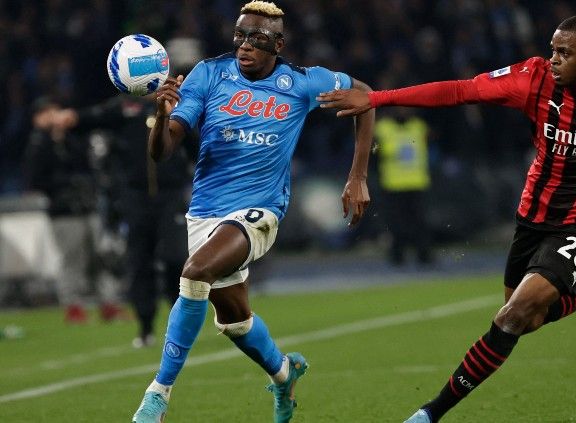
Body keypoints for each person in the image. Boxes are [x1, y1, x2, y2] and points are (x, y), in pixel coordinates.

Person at [318, 15, 576, 422]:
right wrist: (377, 99)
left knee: (512, 317)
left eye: (564, 53)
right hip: (533, 217)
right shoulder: (533, 78)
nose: (552, 59)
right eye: (552, 49)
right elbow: (460, 91)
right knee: (529, 318)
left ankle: (429, 413)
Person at [131, 2, 374, 422]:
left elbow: (367, 97)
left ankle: (158, 394)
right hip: (205, 212)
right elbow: (163, 151)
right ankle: (284, 375)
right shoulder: (208, 74)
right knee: (234, 321)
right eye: (240, 36)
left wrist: (357, 175)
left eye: (257, 39)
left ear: (278, 45)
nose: (245, 46)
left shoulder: (302, 83)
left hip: (260, 211)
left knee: (193, 274)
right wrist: (161, 114)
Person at [49, 94, 197, 348]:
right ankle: (146, 327)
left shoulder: (179, 106)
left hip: (171, 196)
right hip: (135, 197)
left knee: (175, 258)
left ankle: (180, 319)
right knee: (139, 261)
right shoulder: (126, 107)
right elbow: (94, 117)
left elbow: (196, 145)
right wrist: (72, 117)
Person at [27, 99, 128, 324]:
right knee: (73, 260)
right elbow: (35, 179)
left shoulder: (74, 137)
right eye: (46, 113)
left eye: (54, 111)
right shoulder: (38, 143)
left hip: (87, 207)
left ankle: (109, 304)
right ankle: (73, 307)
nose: (54, 117)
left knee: (99, 258)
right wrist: (66, 182)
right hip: (63, 212)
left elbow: (90, 165)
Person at [374, 107, 433, 265]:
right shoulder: (382, 127)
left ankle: (424, 255)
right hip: (393, 183)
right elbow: (373, 150)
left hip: (416, 181)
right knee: (396, 224)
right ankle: (397, 255)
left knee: (419, 222)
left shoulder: (419, 126)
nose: (403, 111)